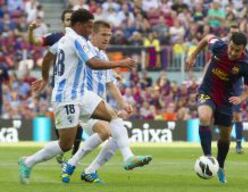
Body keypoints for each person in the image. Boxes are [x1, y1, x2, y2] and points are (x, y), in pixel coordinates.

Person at [18, 9, 150, 185]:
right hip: (66, 97)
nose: (91, 29)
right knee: (65, 145)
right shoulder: (74, 39)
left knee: (113, 116)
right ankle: (28, 162)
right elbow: (92, 63)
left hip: (82, 93)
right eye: (89, 26)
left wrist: (44, 77)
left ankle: (128, 157)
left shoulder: (69, 39)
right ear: (79, 25)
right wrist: (120, 63)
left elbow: (48, 56)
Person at [61, 20, 152, 184]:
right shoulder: (83, 50)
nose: (107, 38)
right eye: (103, 34)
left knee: (117, 135)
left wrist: (123, 103)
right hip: (82, 104)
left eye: (109, 35)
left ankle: (89, 170)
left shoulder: (103, 56)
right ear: (93, 34)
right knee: (106, 130)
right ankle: (126, 157)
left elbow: (110, 84)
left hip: (98, 106)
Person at [186, 32, 248, 184]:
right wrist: (193, 55)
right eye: (231, 48)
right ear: (228, 44)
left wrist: (241, 98)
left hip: (226, 100)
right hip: (207, 92)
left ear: (243, 49)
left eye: (237, 50)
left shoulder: (247, 64)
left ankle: (220, 166)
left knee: (225, 136)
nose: (232, 52)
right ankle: (207, 158)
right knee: (204, 117)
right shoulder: (219, 46)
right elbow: (207, 37)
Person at [28, 9, 83, 164]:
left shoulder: (82, 39)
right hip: (61, 88)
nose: (69, 22)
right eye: (67, 19)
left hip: (79, 87)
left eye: (72, 19)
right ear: (62, 22)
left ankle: (72, 157)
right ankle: (63, 150)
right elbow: (35, 43)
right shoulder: (58, 37)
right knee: (67, 126)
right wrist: (31, 31)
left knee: (79, 124)